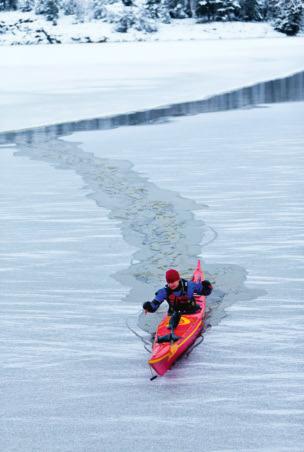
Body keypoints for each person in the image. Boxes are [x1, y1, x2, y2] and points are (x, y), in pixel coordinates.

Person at [143, 269, 213, 342]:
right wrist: (149, 307)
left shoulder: (189, 286)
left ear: (178, 279)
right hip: (173, 315)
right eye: (169, 282)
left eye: (173, 282)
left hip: (191, 312)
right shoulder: (164, 291)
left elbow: (202, 290)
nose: (171, 284)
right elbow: (155, 304)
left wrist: (207, 287)